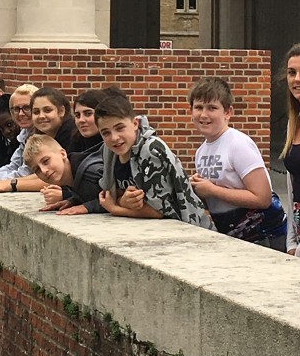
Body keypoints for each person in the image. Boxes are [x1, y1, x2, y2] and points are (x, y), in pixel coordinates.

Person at [190, 76, 286, 249]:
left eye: (212, 108)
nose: (203, 114)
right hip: (233, 238)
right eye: (198, 107)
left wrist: (212, 190)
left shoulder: (238, 144)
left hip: (264, 237)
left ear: (228, 112)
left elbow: (262, 198)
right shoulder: (200, 152)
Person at [97, 89, 213, 228]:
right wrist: (123, 201)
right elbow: (112, 194)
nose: (114, 138)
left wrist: (115, 209)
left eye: (120, 128)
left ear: (135, 124)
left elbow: (159, 211)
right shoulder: (109, 151)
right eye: (106, 133)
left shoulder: (151, 150)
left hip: (189, 229)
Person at [24, 134, 105, 215]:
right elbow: (92, 193)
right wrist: (73, 200)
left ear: (63, 154)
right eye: (37, 169)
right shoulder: (70, 177)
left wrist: (87, 207)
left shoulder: (91, 171)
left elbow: (116, 195)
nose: (44, 170)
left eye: (46, 161)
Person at [280, 43, 300, 255]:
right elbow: (292, 188)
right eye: (292, 73)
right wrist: (291, 242)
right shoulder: (293, 124)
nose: (297, 80)